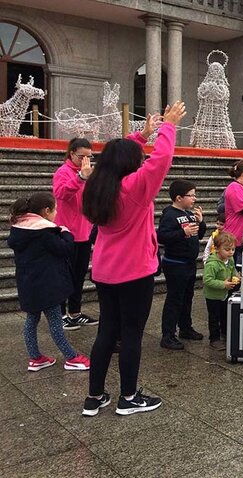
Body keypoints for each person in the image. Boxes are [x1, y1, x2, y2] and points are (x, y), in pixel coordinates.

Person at [81, 103, 185, 417]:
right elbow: (162, 159)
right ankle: (128, 397)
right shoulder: (134, 188)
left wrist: (141, 136)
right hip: (134, 272)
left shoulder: (97, 187)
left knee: (106, 333)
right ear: (130, 165)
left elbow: (117, 155)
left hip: (104, 269)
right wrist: (169, 126)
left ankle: (94, 397)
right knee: (131, 335)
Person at [8, 192, 90, 372]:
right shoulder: (44, 232)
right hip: (47, 285)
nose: (56, 213)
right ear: (46, 211)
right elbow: (65, 249)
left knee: (32, 319)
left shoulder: (19, 229)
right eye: (55, 209)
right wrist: (67, 233)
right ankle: (71, 357)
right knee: (55, 322)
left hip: (28, 284)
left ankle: (35, 357)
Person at [52, 137, 98, 330]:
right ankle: (60, 314)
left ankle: (75, 312)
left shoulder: (89, 173)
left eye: (89, 157)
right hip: (66, 233)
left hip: (84, 232)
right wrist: (80, 178)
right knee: (64, 275)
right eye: (82, 157)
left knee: (79, 276)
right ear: (71, 154)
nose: (86, 161)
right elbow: (61, 193)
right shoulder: (63, 172)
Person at [157, 179, 207, 350]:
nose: (194, 199)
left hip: (189, 263)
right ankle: (168, 334)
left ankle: (185, 327)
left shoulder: (189, 213)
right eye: (191, 196)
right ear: (179, 197)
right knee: (174, 299)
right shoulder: (169, 214)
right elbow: (162, 237)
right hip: (175, 263)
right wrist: (181, 232)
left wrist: (201, 222)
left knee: (187, 297)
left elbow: (198, 236)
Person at [202, 231, 240, 350]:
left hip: (225, 293)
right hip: (213, 296)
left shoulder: (230, 259)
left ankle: (225, 333)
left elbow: (233, 269)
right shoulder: (212, 264)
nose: (230, 252)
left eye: (232, 249)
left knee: (225, 314)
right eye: (227, 249)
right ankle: (214, 339)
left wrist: (237, 276)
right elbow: (207, 280)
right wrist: (223, 284)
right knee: (214, 317)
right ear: (217, 249)